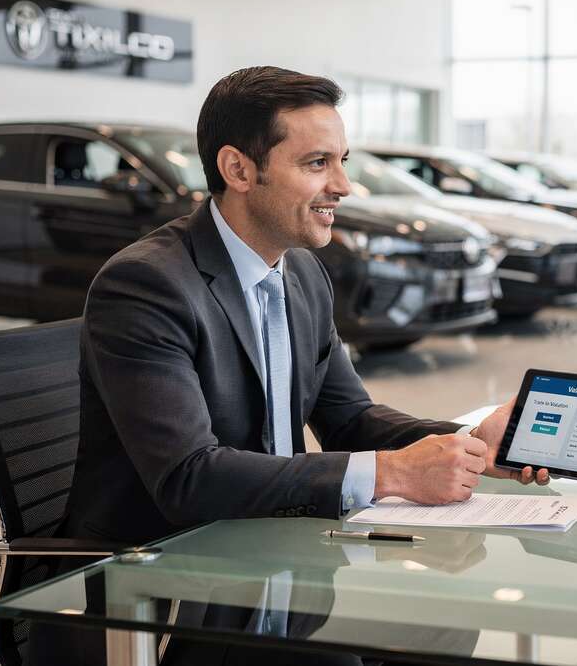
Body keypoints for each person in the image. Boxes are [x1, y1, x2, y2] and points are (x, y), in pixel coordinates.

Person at [37, 66, 548, 665]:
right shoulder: (147, 285)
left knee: (446, 623)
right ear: (238, 170)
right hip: (168, 591)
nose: (345, 186)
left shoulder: (301, 271)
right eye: (317, 164)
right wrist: (393, 474)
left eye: (342, 161)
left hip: (274, 558)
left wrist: (467, 441)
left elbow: (349, 417)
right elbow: (188, 478)